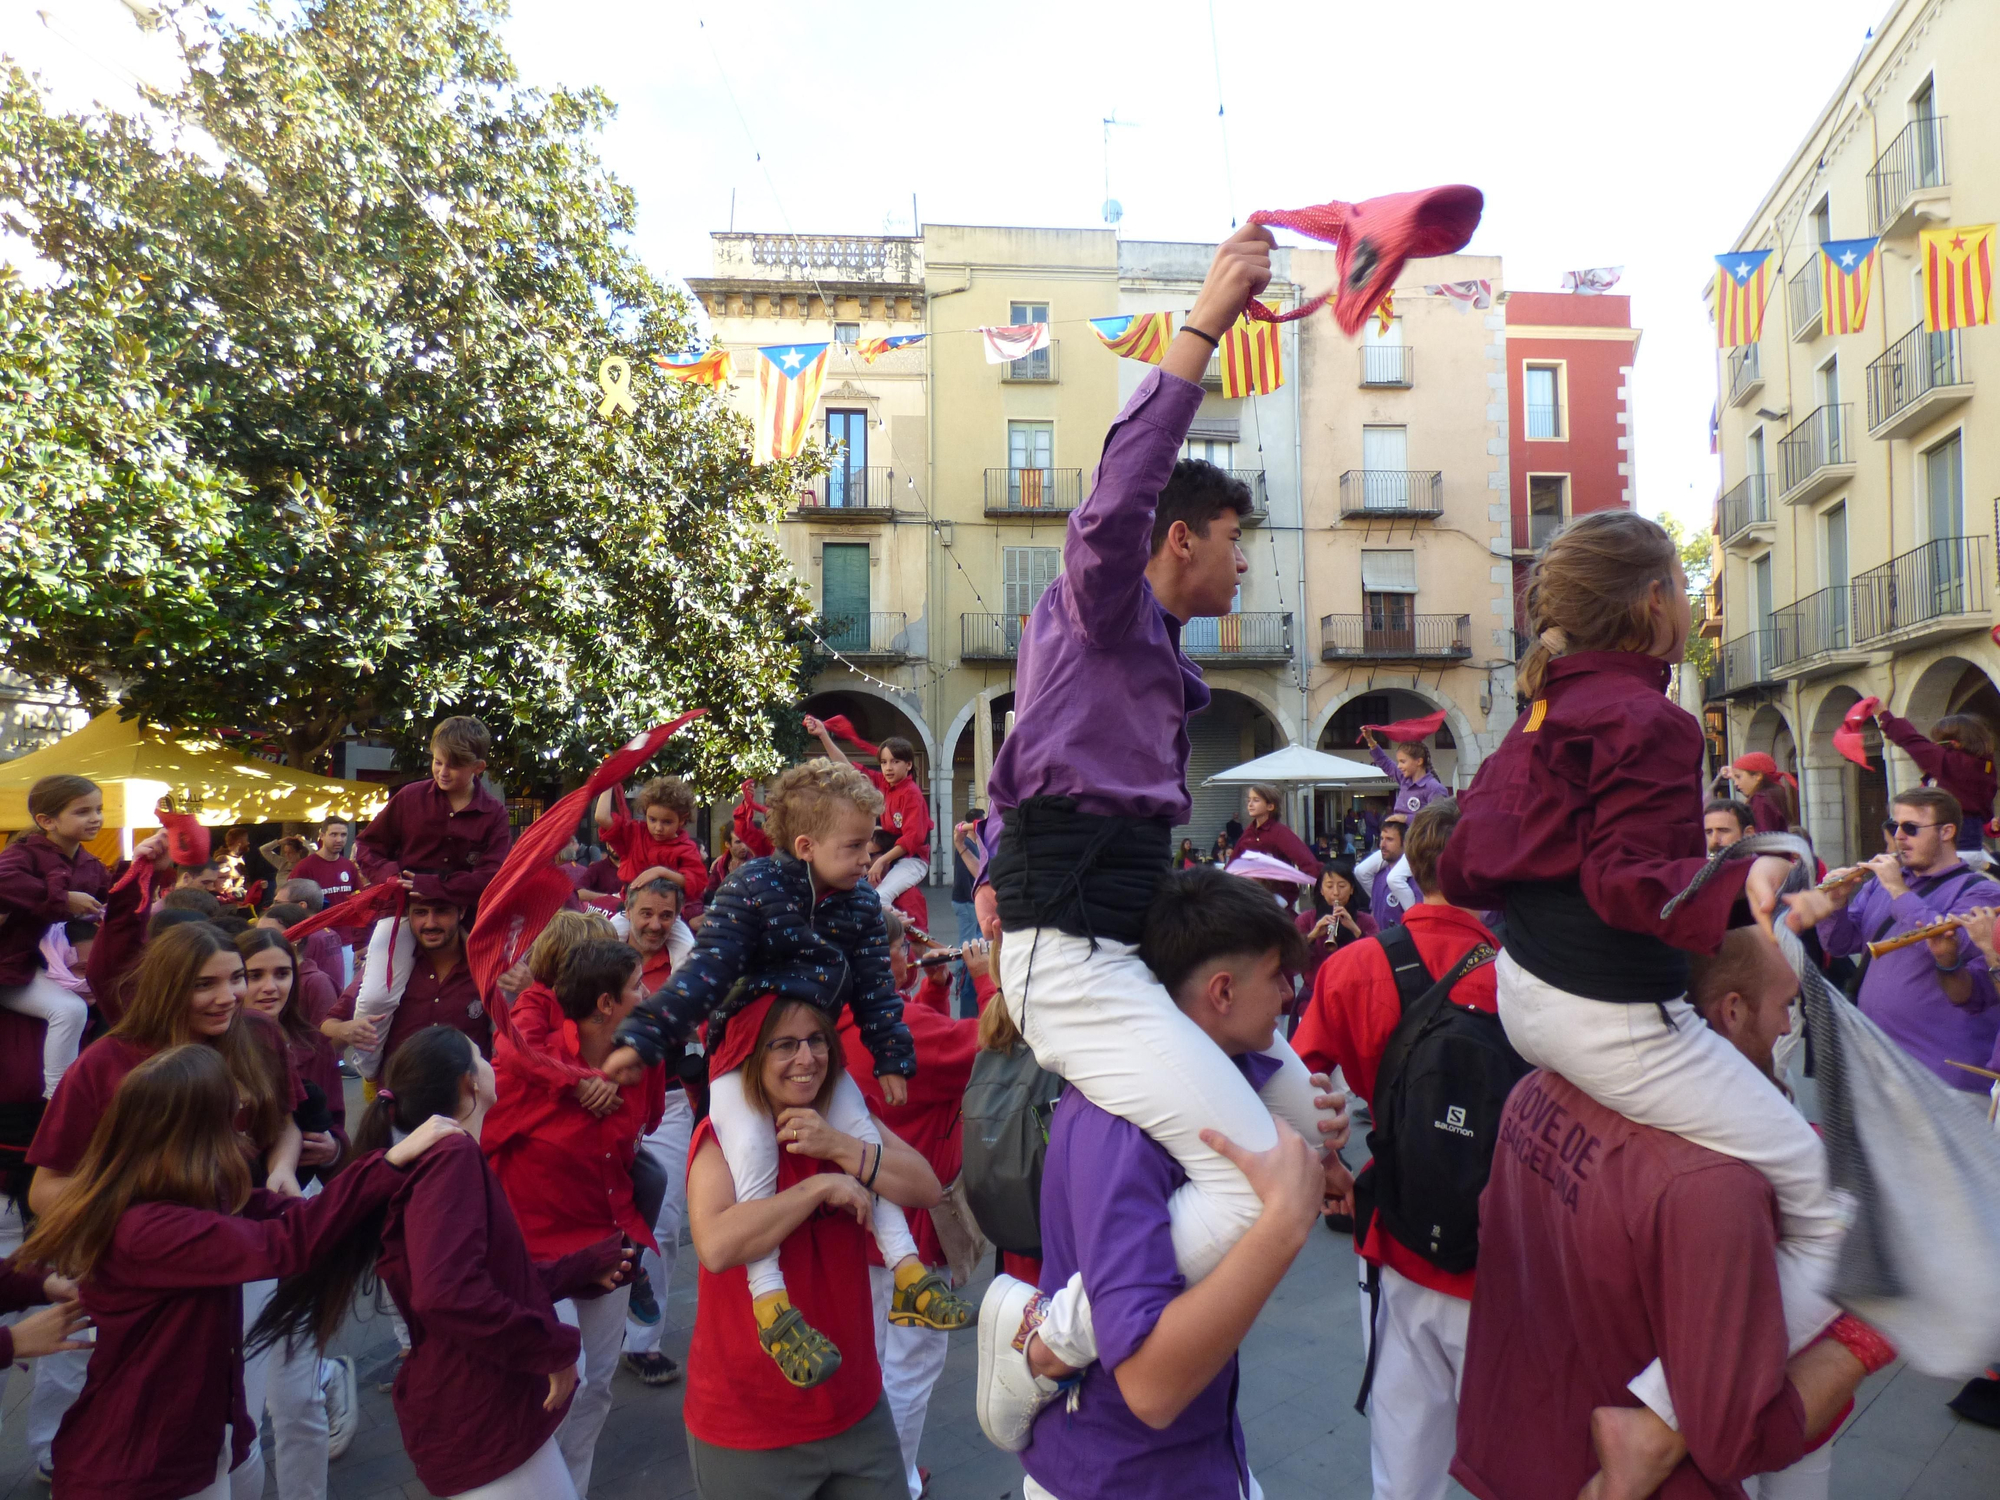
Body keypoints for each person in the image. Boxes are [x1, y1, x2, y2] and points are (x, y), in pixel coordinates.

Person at [970, 227, 1342, 1427]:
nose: (1245, 563)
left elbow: (1018, 770)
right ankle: (1044, 1338)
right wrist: (1206, 318)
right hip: (1073, 960)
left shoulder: (1133, 656)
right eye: (1234, 541)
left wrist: (985, 858)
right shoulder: (1099, 599)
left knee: (1299, 1126)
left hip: (1111, 941)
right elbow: (1119, 486)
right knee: (1256, 1195)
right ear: (1178, 540)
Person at [1439, 508, 1832, 1448]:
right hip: (1602, 1016)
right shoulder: (1647, 720)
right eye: (1686, 592)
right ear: (1654, 601)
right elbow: (1625, 888)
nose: (1693, 609)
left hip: (1525, 996)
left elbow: (1462, 866)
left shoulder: (1542, 708)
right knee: (1827, 1201)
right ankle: (1661, 1419)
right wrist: (1749, 884)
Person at [604, 758, 967, 1388]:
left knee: (865, 1137)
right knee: (752, 1159)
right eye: (856, 845)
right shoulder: (751, 889)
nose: (869, 856)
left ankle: (906, 1269)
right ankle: (770, 1301)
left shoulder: (856, 906)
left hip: (814, 1050)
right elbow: (705, 976)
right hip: (745, 1048)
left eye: (872, 840)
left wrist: (891, 1055)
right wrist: (646, 1036)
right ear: (806, 846)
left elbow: (878, 989)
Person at [986, 867, 1329, 1497]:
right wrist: (1281, 1227)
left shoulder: (1223, 1080)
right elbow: (1150, 1390)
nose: (1290, 992)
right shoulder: (1119, 1129)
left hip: (1199, 1461)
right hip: (1121, 1475)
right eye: (1279, 973)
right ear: (1221, 991)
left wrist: (1312, 1134)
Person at [18, 1043, 453, 1500]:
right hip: (137, 1467)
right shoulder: (147, 1228)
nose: (244, 1106)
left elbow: (291, 1214)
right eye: (232, 1105)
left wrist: (373, 1182)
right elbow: (287, 1244)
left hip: (193, 1444)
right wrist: (386, 1164)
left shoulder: (194, 1194)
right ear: (194, 1129)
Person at [1450, 1060, 1884, 1500]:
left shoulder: (1537, 1086)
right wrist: (1866, 1338)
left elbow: (1495, 1228)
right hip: (1694, 1438)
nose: (1786, 1026)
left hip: (1532, 1431)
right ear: (1732, 1011)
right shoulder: (1712, 1184)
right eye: (1782, 1007)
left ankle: (1656, 1430)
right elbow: (1733, 1440)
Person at [253, 1025, 629, 1500]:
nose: (490, 1061)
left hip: (478, 1409)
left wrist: (578, 1269)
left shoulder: (443, 1156)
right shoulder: (451, 1158)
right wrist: (552, 1347)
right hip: (478, 1410)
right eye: (480, 1055)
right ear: (469, 1083)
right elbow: (447, 1293)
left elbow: (481, 1278)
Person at [26, 921, 307, 1496]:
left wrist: (281, 1167)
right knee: (152, 1411)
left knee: (238, 1410)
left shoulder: (255, 1035)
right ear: (167, 988)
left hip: (240, 1254)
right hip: (142, 1279)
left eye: (236, 978)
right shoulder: (105, 1064)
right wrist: (148, 1221)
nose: (229, 996)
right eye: (207, 984)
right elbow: (45, 1189)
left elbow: (284, 1126)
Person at [1293, 800, 1501, 1500]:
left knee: (1405, 1457)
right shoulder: (1524, 978)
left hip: (1397, 1237)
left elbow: (1294, 1078)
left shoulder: (1351, 967)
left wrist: (1328, 1161)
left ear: (1410, 866)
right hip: (1506, 1249)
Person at [681, 995, 943, 1499]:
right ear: (753, 1056)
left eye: (816, 1040)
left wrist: (840, 1149)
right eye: (784, 1045)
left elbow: (926, 1187)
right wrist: (817, 1189)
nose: (806, 1059)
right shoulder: (721, 1140)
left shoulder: (842, 1121)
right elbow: (715, 1245)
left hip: (856, 1404)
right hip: (752, 1424)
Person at [485, 939, 659, 1497]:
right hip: (535, 1255)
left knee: (597, 1386)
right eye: (638, 986)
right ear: (605, 1004)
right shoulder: (531, 1068)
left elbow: (644, 1129)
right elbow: (481, 1143)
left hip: (607, 1249)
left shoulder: (640, 1062)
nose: (649, 992)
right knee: (560, 1384)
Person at [843, 915, 984, 1500]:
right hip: (914, 1221)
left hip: (860, 1213)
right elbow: (991, 1051)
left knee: (877, 1353)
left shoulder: (842, 1016)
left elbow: (928, 1055)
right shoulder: (900, 1028)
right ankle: (893, 1480)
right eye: (903, 948)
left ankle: (871, 1473)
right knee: (914, 1359)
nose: (910, 956)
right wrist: (989, 979)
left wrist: (933, 988)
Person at [233, 926, 360, 1492]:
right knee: (240, 1383)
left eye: (280, 973)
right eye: (253, 975)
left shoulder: (312, 1044)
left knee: (291, 1385)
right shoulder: (213, 1044)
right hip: (228, 1222)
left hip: (296, 1211)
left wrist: (332, 1147)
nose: (268, 986)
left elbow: (334, 1125)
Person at [1787, 787, 2000, 1094]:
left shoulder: (1980, 892)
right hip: (1878, 1060)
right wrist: (1835, 906)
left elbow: (1955, 947)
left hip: (1941, 1067)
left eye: (1910, 828)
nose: (1899, 837)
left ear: (1947, 832)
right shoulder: (1878, 886)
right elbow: (1841, 945)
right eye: (1893, 826)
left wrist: (1899, 891)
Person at [0, 775, 110, 1099]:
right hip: (11, 970)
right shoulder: (22, 856)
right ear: (46, 821)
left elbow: (112, 904)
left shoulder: (92, 866)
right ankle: (59, 1098)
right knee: (69, 1010)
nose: (96, 818)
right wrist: (65, 900)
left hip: (56, 967)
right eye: (82, 811)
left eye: (99, 809)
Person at [355, 715, 512, 916]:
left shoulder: (495, 813)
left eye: (453, 766)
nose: (442, 772)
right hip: (403, 910)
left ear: (478, 767)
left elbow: (492, 876)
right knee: (383, 949)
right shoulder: (409, 797)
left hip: (466, 915)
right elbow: (367, 846)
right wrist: (391, 876)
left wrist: (430, 885)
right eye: (438, 762)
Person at [344, 893, 491, 1081]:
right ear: (408, 914)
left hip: (469, 1101)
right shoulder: (383, 970)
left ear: (462, 912)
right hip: (400, 1101)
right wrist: (346, 1031)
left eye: (441, 912)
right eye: (420, 912)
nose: (430, 923)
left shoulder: (486, 966)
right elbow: (328, 1028)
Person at [805, 718, 935, 911]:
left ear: (908, 765)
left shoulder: (912, 794)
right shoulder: (885, 784)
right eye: (884, 762)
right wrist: (823, 734)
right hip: (889, 855)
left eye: (895, 761)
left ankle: (893, 937)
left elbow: (912, 839)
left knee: (880, 898)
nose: (888, 767)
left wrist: (882, 860)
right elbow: (846, 767)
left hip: (912, 860)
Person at [1875, 707, 1997, 864]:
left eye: (1938, 742)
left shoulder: (1954, 762)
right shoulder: (1985, 765)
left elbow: (1912, 741)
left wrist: (1883, 714)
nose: (1934, 747)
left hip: (1952, 839)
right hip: (1971, 837)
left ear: (1954, 743)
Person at [594, 774, 709, 908]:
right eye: (652, 819)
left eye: (667, 822)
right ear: (645, 813)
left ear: (682, 820)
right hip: (630, 909)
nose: (658, 828)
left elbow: (696, 882)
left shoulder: (686, 848)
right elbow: (601, 817)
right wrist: (609, 781)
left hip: (667, 913)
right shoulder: (634, 833)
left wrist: (661, 872)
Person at [1295, 859, 1377, 995]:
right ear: (1321, 890)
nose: (1336, 893)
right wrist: (1312, 935)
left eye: (1342, 886)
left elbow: (1377, 957)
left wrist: (1355, 930)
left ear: (1351, 889)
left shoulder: (1366, 921)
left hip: (1355, 994)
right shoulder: (1306, 920)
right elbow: (1292, 958)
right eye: (1329, 886)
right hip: (1314, 994)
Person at [1232, 783, 1321, 878]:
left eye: (1256, 800)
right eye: (1249, 800)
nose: (1250, 804)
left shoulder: (1280, 832)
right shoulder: (1249, 831)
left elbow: (1306, 860)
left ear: (1270, 806)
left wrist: (1325, 883)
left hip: (1278, 889)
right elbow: (1233, 863)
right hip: (1252, 889)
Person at [1363, 728, 1450, 820]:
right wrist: (1370, 740)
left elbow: (1439, 819)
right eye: (1398, 762)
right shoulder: (1404, 779)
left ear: (1419, 761)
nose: (1399, 766)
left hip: (1417, 834)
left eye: (1403, 762)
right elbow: (1385, 763)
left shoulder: (1434, 788)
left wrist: (1405, 819)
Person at [952, 811, 987, 1016]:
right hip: (967, 902)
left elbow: (983, 874)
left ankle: (963, 972)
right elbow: (981, 875)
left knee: (969, 944)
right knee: (968, 943)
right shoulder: (975, 846)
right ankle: (962, 973)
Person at [1355, 813, 1412, 931]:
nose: (1382, 845)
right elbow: (1374, 913)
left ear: (1405, 843)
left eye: (1390, 839)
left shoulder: (1415, 881)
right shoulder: (1378, 877)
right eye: (1381, 838)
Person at [1727, 752, 1801, 835]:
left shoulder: (1760, 799)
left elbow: (1762, 835)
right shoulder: (1774, 792)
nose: (1735, 784)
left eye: (1738, 777)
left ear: (1758, 776)